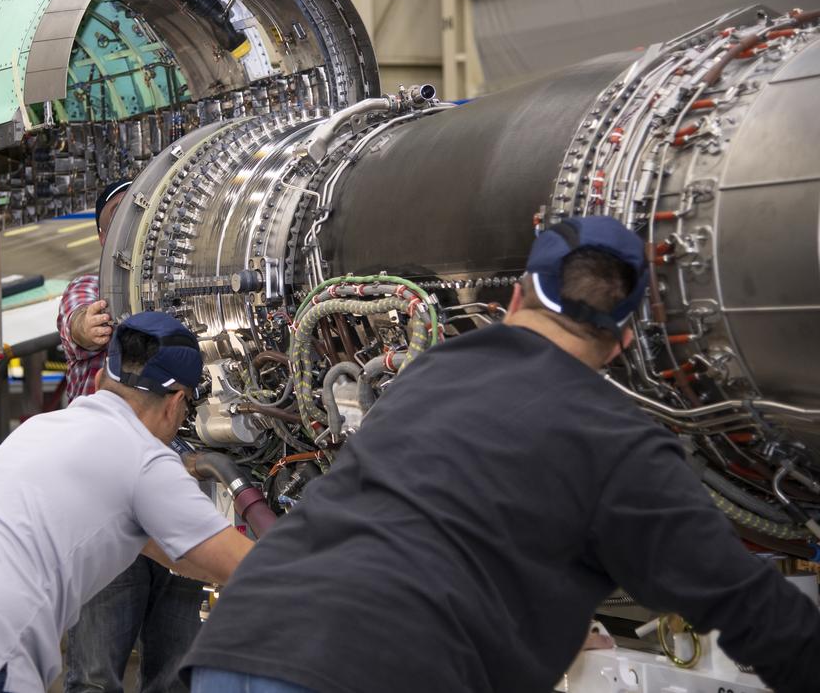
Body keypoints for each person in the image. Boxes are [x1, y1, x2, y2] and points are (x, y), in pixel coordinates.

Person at [183, 216, 820, 693]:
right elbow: (745, 606)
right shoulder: (617, 439)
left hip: (240, 641)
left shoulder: (428, 375)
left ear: (517, 296)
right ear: (625, 335)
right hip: (375, 669)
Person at [0, 312, 254, 693]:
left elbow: (166, 548)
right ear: (176, 403)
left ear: (99, 384)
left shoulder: (39, 429)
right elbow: (246, 567)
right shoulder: (145, 458)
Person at [56, 181, 207, 693]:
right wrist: (85, 326)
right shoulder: (89, 288)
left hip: (181, 500)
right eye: (120, 217)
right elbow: (77, 320)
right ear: (104, 237)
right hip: (109, 511)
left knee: (177, 671)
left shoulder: (195, 289)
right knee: (96, 672)